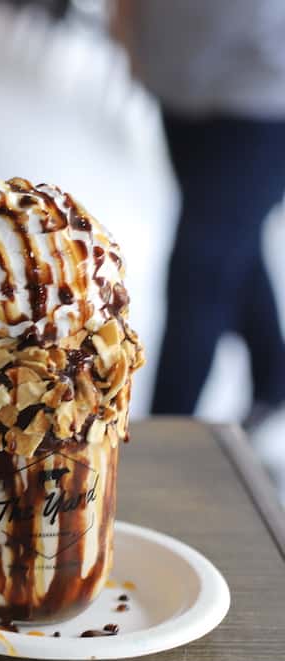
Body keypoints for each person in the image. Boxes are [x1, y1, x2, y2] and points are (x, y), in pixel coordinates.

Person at [114, 0, 285, 421]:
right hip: (177, 83)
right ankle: (274, 373)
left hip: (262, 95)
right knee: (229, 243)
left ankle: (162, 440)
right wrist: (130, 37)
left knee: (198, 267)